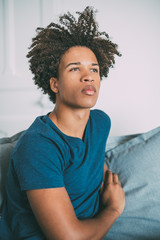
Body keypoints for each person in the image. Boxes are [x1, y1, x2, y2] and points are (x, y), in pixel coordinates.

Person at [0, 6, 125, 240]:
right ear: (55, 84)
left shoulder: (100, 122)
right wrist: (113, 209)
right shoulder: (37, 146)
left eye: (94, 69)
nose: (88, 76)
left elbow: (90, 165)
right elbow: (68, 238)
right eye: (74, 68)